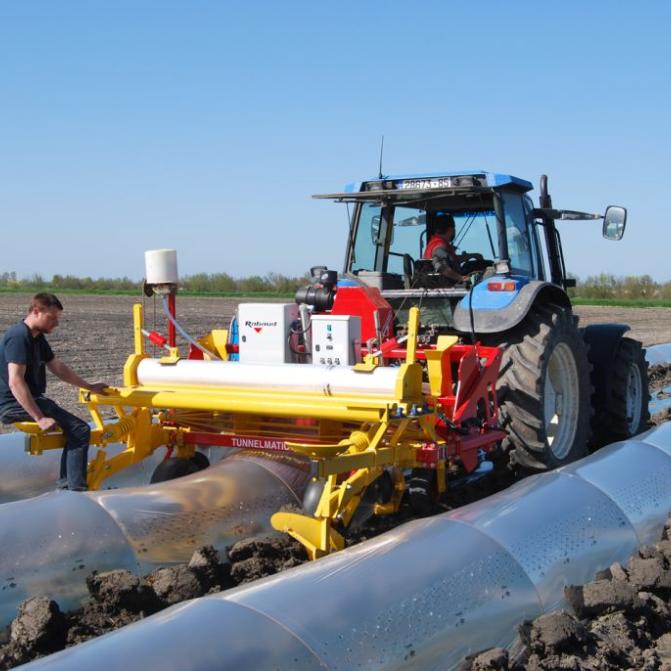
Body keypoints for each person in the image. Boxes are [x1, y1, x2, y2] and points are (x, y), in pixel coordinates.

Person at [0, 293, 107, 491]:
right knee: (80, 430)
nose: (56, 323)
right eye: (52, 318)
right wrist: (39, 418)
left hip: (32, 400)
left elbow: (59, 368)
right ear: (36, 311)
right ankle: (74, 490)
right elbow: (15, 381)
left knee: (74, 429)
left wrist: (90, 386)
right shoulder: (19, 336)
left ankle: (68, 485)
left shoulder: (37, 338)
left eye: (58, 318)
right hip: (13, 404)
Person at [422, 213, 469, 284]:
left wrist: (471, 256)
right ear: (450, 229)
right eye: (454, 228)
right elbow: (441, 267)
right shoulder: (439, 246)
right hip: (445, 289)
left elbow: (450, 260)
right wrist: (461, 278)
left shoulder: (434, 242)